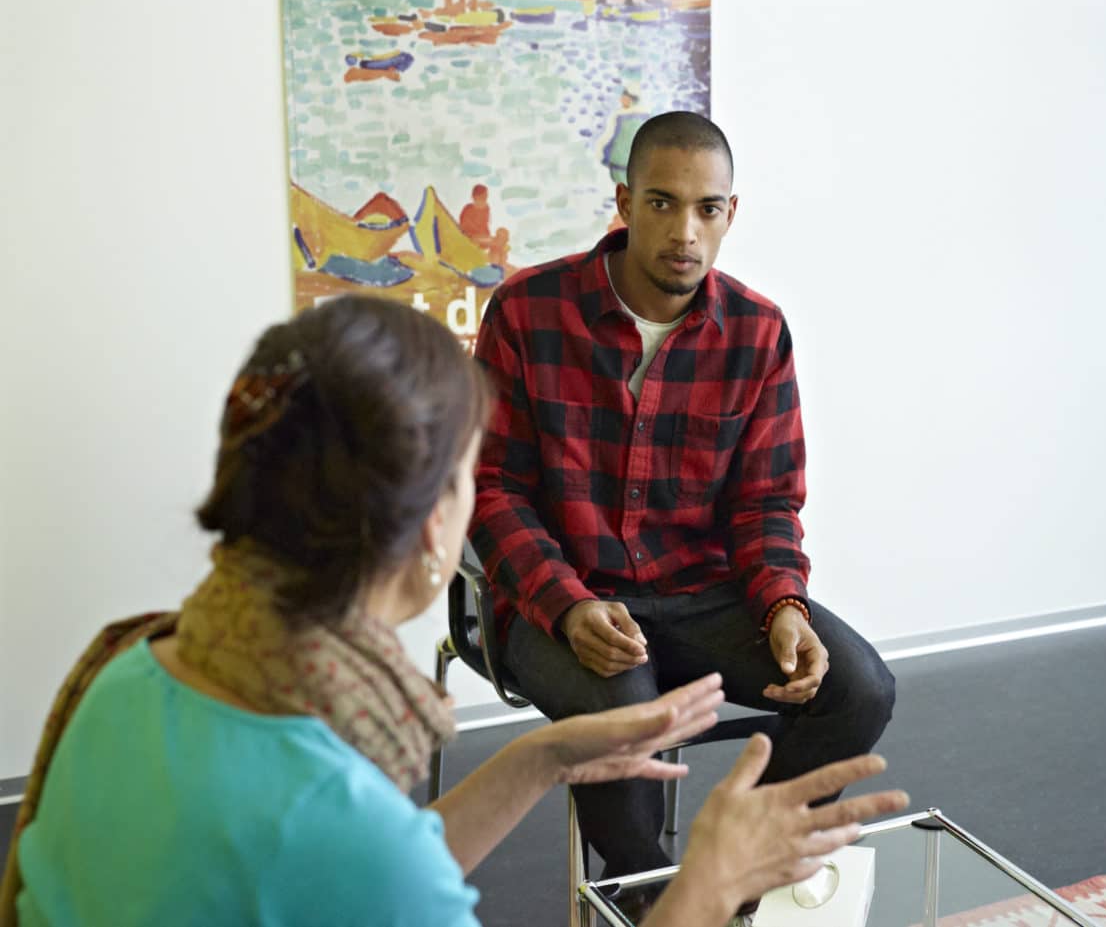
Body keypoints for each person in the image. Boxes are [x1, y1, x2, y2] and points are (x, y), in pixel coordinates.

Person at [0, 295, 907, 926]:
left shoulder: (122, 670)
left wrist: (544, 754)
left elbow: (371, 867)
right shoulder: (341, 822)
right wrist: (707, 886)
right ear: (438, 525)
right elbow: (367, 864)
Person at [471, 111, 899, 893]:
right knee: (627, 710)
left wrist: (783, 605)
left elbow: (766, 502)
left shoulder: (758, 333)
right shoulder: (527, 312)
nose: (685, 232)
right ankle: (646, 894)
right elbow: (492, 489)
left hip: (705, 595)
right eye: (662, 203)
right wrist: (567, 604)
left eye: (707, 209)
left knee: (859, 687)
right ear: (624, 202)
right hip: (561, 595)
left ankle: (738, 874)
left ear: (730, 213)